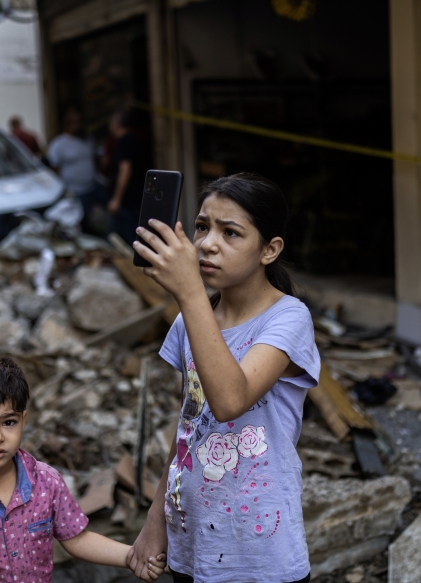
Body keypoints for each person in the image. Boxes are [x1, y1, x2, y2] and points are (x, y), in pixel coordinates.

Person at [128, 173, 321, 583]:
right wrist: (155, 520)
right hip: (192, 544)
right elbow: (189, 426)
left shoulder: (288, 318)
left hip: (260, 555)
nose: (207, 244)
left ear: (269, 250)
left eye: (230, 233)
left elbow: (230, 400)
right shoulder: (192, 320)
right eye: (202, 227)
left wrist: (190, 292)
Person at [0, 355, 166, 583]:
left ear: (23, 421)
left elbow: (76, 539)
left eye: (8, 422)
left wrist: (132, 556)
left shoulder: (46, 482)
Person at [46, 106, 105, 231]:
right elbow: (54, 169)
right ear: (68, 124)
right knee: (82, 223)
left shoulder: (88, 140)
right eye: (77, 122)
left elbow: (94, 160)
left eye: (81, 121)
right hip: (75, 191)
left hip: (93, 186)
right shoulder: (58, 144)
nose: (80, 125)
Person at [106, 108, 150, 244]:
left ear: (116, 124)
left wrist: (116, 199)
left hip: (129, 199)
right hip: (138, 196)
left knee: (127, 237)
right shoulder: (136, 139)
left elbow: (125, 170)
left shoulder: (123, 142)